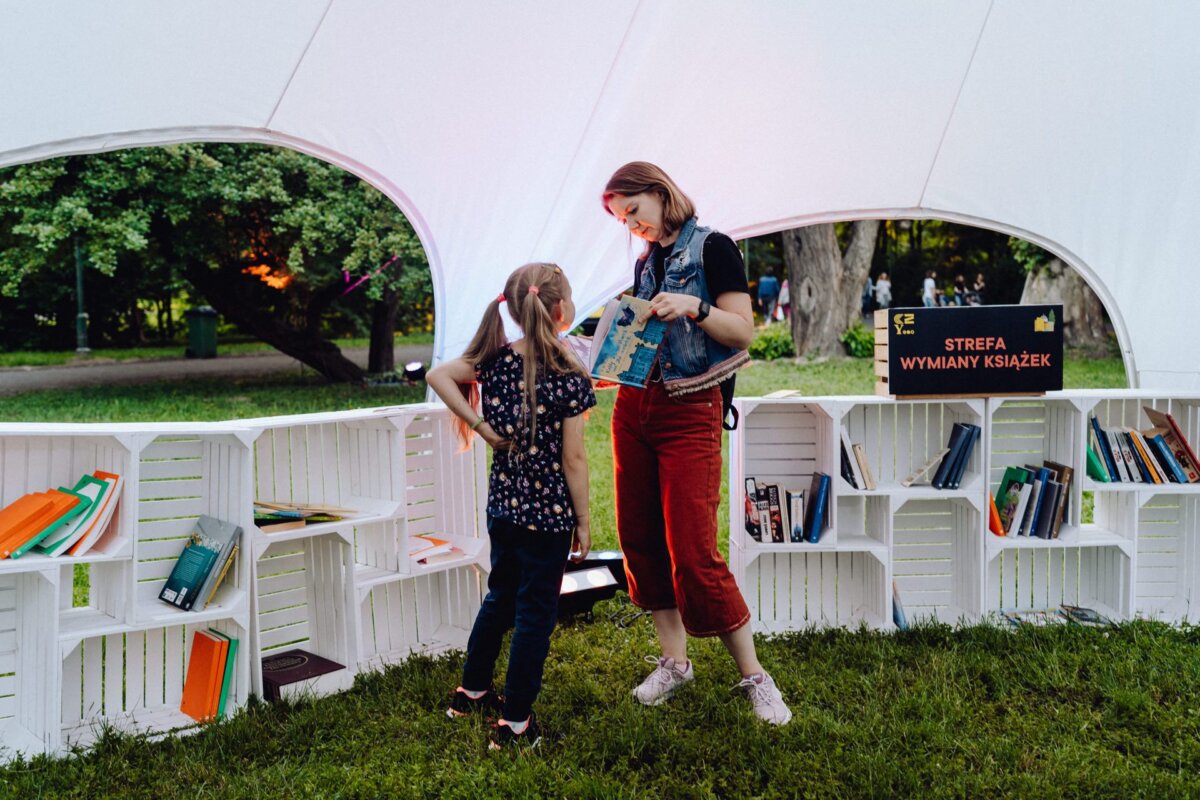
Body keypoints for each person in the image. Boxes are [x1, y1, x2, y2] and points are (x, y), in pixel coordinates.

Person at [602, 161, 792, 725]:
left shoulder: (714, 248)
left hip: (691, 409)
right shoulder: (648, 259)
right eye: (621, 219)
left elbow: (743, 331)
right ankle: (675, 662)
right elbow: (643, 346)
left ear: (660, 193)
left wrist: (696, 306)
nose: (631, 224)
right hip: (634, 408)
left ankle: (755, 677)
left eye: (633, 210)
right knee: (642, 542)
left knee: (693, 548)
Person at [426, 262, 596, 749]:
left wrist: (481, 428)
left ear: (515, 308)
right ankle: (516, 722)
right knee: (534, 614)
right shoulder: (569, 374)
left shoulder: (494, 361)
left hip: (503, 508)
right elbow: (574, 458)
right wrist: (583, 519)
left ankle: (471, 692)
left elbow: (440, 376)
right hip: (548, 520)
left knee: (500, 596)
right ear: (561, 310)